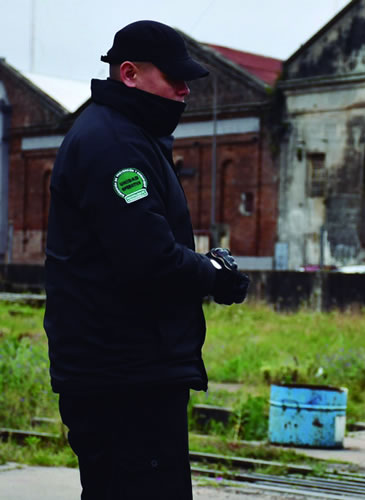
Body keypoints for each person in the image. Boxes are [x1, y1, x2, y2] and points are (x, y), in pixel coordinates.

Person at [43, 20, 250, 500]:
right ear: (130, 74)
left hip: (124, 370)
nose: (184, 90)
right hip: (122, 378)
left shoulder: (128, 135)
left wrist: (206, 270)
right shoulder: (114, 145)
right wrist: (216, 276)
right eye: (174, 78)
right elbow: (148, 259)